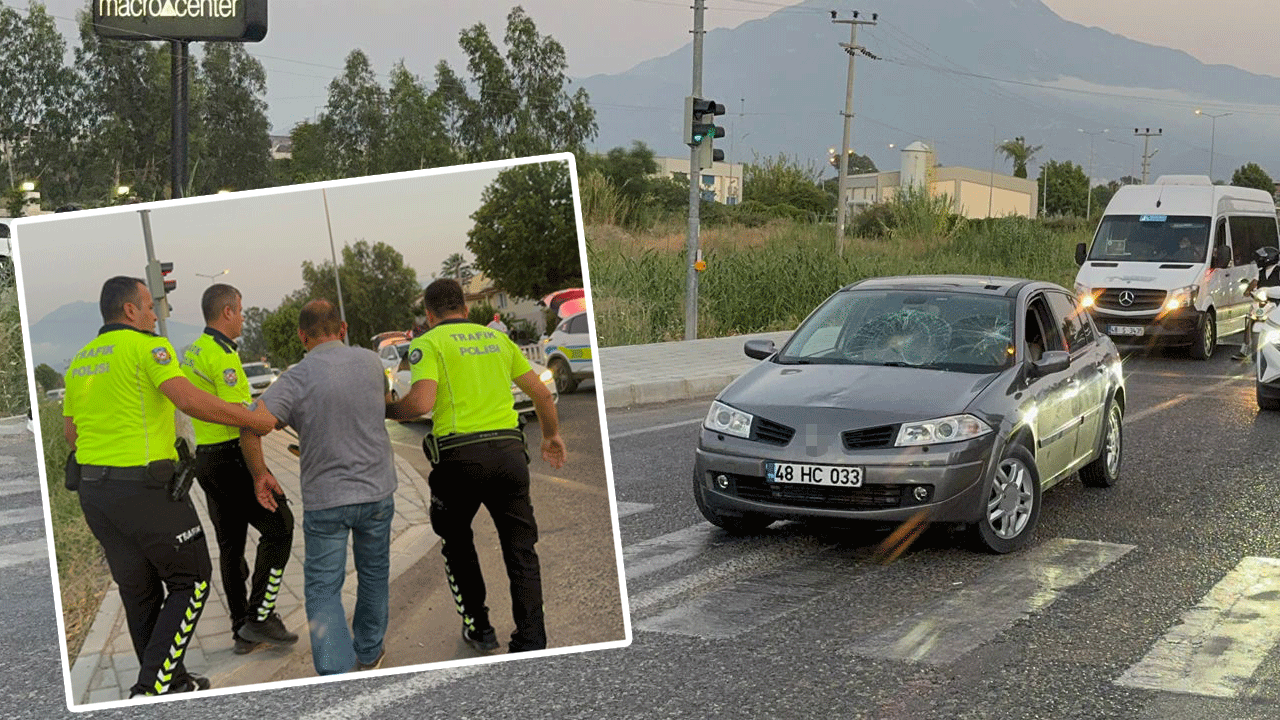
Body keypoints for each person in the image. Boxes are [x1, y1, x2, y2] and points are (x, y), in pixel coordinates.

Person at [64, 276, 276, 698]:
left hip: (95, 494)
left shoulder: (80, 361)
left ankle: (171, 679)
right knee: (193, 578)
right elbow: (190, 399)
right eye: (150, 305)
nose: (158, 313)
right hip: (144, 490)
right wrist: (255, 420)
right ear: (130, 311)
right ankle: (153, 688)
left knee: (139, 590)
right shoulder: (149, 347)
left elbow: (72, 435)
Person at [387, 279, 566, 653]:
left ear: (429, 315)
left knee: (456, 541)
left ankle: (480, 628)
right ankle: (531, 640)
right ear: (467, 309)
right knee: (521, 550)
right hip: (509, 455)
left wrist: (386, 409)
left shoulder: (428, 342)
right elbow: (541, 393)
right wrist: (550, 436)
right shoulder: (497, 340)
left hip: (459, 461)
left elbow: (421, 403)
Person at [240, 299, 397, 675]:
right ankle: (370, 652)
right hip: (378, 492)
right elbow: (387, 404)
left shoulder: (296, 377)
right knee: (374, 574)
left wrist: (261, 473)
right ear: (342, 329)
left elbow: (252, 426)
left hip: (327, 501)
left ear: (301, 336)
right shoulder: (372, 363)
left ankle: (335, 671)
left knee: (324, 587)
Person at [180, 284, 299, 654]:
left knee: (230, 546)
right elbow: (244, 420)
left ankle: (241, 630)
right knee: (280, 525)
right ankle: (260, 616)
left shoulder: (192, 351)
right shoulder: (221, 355)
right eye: (242, 310)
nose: (244, 318)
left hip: (206, 460)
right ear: (228, 312)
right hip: (231, 457)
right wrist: (261, 466)